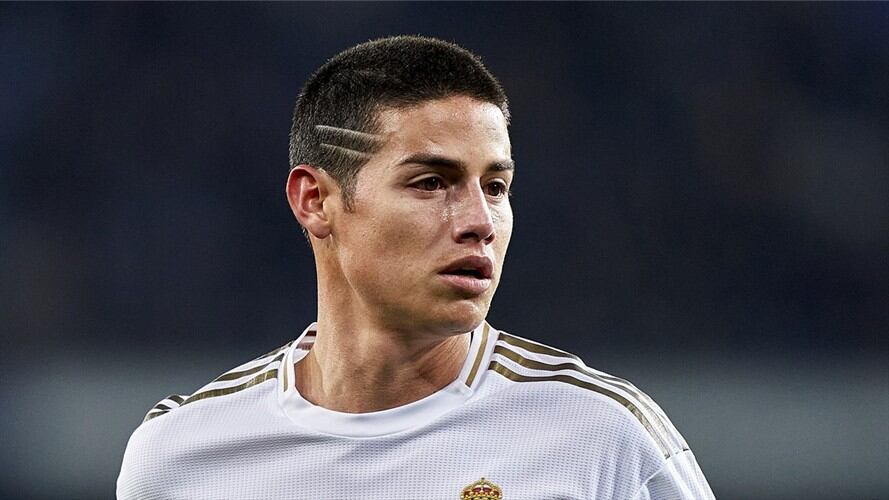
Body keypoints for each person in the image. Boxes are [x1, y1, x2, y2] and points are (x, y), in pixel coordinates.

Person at [117, 35, 714, 499]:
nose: (480, 220)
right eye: (432, 183)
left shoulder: (601, 437)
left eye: (497, 187)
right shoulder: (181, 458)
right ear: (316, 201)